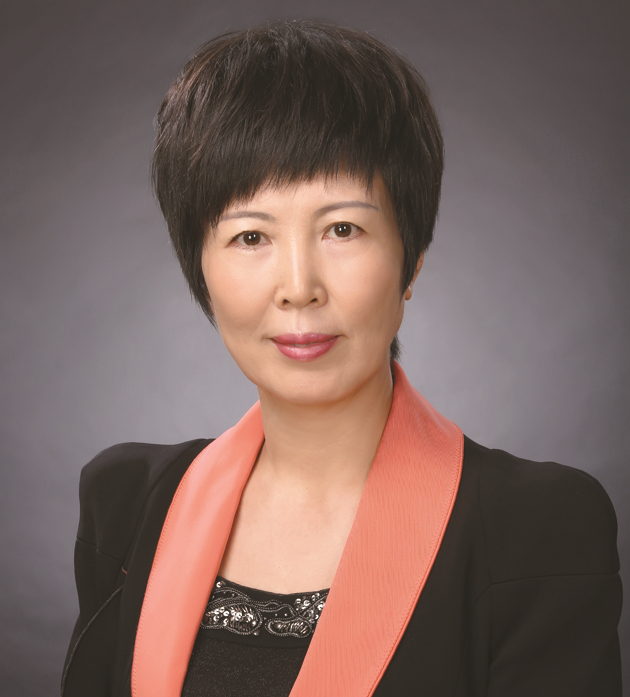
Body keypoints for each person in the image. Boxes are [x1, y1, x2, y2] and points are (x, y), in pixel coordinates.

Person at [61, 21, 622, 697]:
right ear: (198, 269)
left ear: (411, 261)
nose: (299, 286)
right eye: (250, 236)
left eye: (343, 228)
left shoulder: (538, 530)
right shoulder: (126, 504)